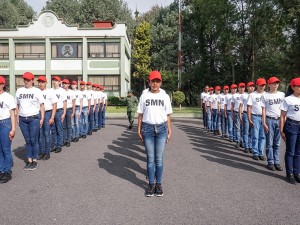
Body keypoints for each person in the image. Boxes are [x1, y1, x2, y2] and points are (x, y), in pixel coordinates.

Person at [137, 70, 172, 197]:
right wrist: (138, 129)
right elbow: (140, 114)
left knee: (159, 159)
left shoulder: (165, 96)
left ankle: (159, 184)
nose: (155, 83)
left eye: (157, 81)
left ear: (161, 82)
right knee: (150, 159)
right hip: (147, 129)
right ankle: (151, 184)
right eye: (153, 81)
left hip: (162, 129)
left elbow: (168, 115)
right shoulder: (144, 96)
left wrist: (170, 130)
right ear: (149, 82)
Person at [15, 72, 45, 171]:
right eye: (25, 79)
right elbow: (17, 105)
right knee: (27, 141)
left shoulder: (37, 91)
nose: (26, 81)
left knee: (33, 140)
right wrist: (17, 117)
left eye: (28, 80)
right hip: (23, 119)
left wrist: (42, 118)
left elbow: (41, 105)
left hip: (33, 118)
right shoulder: (19, 91)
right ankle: (29, 160)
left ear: (32, 80)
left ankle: (35, 160)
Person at [261, 77, 285, 171]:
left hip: (279, 120)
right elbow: (263, 110)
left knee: (277, 143)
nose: (276, 85)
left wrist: (284, 121)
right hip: (269, 120)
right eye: (274, 83)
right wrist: (264, 122)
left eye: (277, 83)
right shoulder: (265, 95)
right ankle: (270, 162)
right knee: (269, 143)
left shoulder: (282, 94)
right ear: (269, 85)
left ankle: (277, 162)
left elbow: (284, 109)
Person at [280, 77, 300, 184]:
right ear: (293, 87)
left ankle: (297, 173)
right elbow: (282, 116)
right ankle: (289, 173)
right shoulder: (288, 99)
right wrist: (281, 130)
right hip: (291, 125)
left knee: (298, 152)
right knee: (290, 151)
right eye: (299, 86)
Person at [0, 76, 16, 183]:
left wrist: (13, 129)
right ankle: (1, 170)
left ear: (3, 84)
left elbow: (12, 114)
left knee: (5, 149)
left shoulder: (8, 97)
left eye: (0, 83)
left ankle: (7, 171)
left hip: (5, 123)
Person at [37, 76, 57, 160]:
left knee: (46, 134)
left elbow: (54, 105)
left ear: (46, 83)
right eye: (39, 82)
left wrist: (52, 117)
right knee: (39, 135)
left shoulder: (50, 92)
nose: (40, 83)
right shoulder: (36, 92)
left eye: (42, 82)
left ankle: (47, 152)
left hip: (47, 114)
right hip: (37, 114)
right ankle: (42, 152)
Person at [247, 78, 266, 160]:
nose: (262, 87)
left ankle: (261, 153)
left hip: (265, 117)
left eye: (264, 85)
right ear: (257, 85)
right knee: (255, 135)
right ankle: (255, 152)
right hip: (255, 117)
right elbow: (249, 107)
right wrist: (249, 118)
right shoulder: (252, 95)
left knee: (263, 136)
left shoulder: (266, 95)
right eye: (261, 85)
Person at [51, 76, 67, 153]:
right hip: (51, 111)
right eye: (53, 80)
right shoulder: (50, 90)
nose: (54, 82)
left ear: (60, 82)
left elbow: (64, 102)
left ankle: (59, 145)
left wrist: (64, 113)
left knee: (59, 129)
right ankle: (55, 144)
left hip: (59, 111)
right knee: (53, 130)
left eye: (56, 81)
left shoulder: (62, 91)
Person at [239, 81, 255, 153]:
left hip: (253, 115)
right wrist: (240, 114)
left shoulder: (256, 95)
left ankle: (251, 146)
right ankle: (246, 146)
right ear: (247, 87)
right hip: (245, 113)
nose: (252, 88)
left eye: (253, 86)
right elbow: (241, 106)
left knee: (252, 131)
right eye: (250, 86)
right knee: (246, 131)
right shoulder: (243, 95)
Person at [62, 79, 75, 147]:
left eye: (66, 83)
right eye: (63, 83)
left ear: (68, 84)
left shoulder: (71, 92)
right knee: (63, 126)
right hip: (62, 110)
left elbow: (73, 103)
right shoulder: (61, 91)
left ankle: (68, 140)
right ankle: (64, 140)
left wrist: (73, 112)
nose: (64, 85)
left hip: (69, 110)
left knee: (69, 126)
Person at [232, 82, 245, 148]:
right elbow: (232, 105)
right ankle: (238, 141)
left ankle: (242, 141)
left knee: (243, 128)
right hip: (236, 113)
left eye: (243, 87)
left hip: (244, 113)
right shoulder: (234, 95)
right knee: (237, 128)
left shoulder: (247, 95)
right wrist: (232, 114)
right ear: (238, 88)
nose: (242, 88)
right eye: (241, 87)